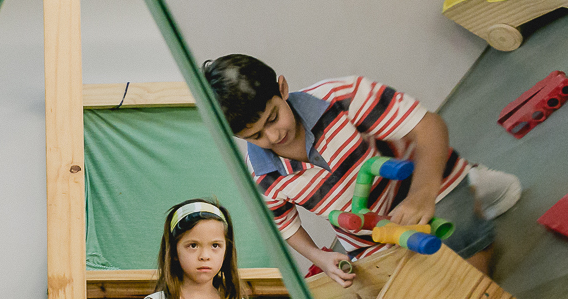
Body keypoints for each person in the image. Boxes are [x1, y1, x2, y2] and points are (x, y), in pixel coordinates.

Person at [202, 55, 522, 286]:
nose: (272, 137)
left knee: (468, 265)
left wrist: (423, 194)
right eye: (255, 135)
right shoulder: (261, 175)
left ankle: (472, 182)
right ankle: (471, 186)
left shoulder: (341, 97)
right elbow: (284, 224)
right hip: (369, 231)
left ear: (282, 89)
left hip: (422, 187)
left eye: (273, 118)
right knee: (389, 295)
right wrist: (319, 257)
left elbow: (428, 126)